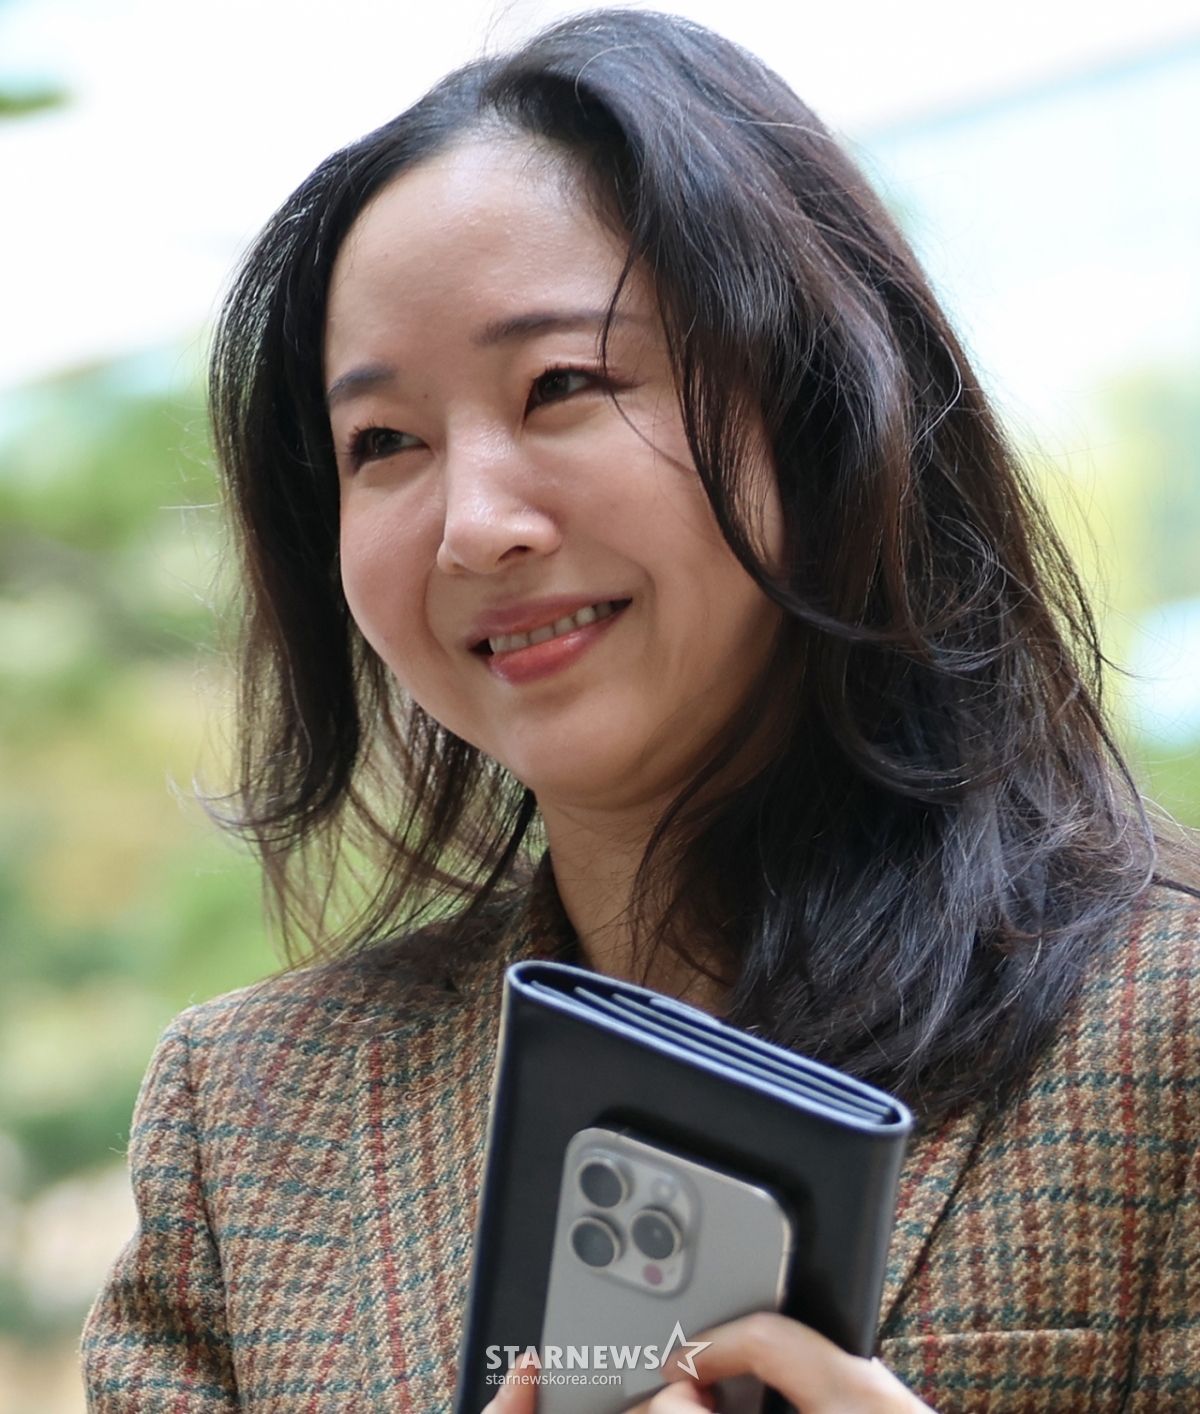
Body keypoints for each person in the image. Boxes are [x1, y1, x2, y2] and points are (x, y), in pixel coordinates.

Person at [81, 10, 1200, 1413]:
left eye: (562, 384)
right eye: (385, 442)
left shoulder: (1167, 1032)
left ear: (816, 407)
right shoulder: (249, 1119)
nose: (474, 525)